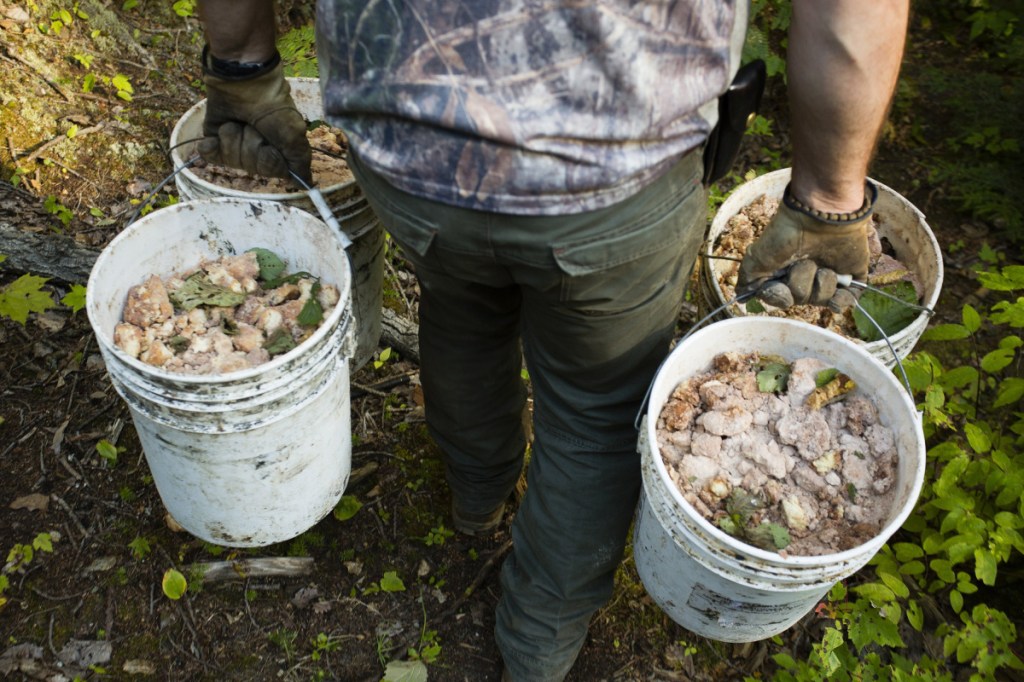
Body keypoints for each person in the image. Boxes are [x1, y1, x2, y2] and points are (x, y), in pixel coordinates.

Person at [194, 1, 910, 679]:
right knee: (595, 413)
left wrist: (242, 71)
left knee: (461, 304)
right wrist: (827, 201)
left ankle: (475, 493)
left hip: (409, 156)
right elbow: (850, 20)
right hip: (614, 182)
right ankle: (536, 647)